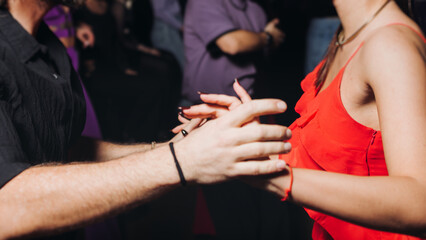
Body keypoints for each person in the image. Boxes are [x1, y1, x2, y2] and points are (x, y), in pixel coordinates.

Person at [0, 0, 293, 239]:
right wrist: (182, 160)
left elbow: (60, 151)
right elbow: (7, 205)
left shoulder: (47, 45)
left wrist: (175, 145)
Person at [180, 0, 426, 239]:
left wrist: (275, 178)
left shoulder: (390, 45)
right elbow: (333, 157)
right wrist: (255, 145)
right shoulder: (350, 35)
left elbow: (420, 201)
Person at [182, 0, 285, 105]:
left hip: (251, 99)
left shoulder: (256, 9)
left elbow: (264, 57)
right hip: (208, 104)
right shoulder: (203, 2)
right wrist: (268, 37)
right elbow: (231, 44)